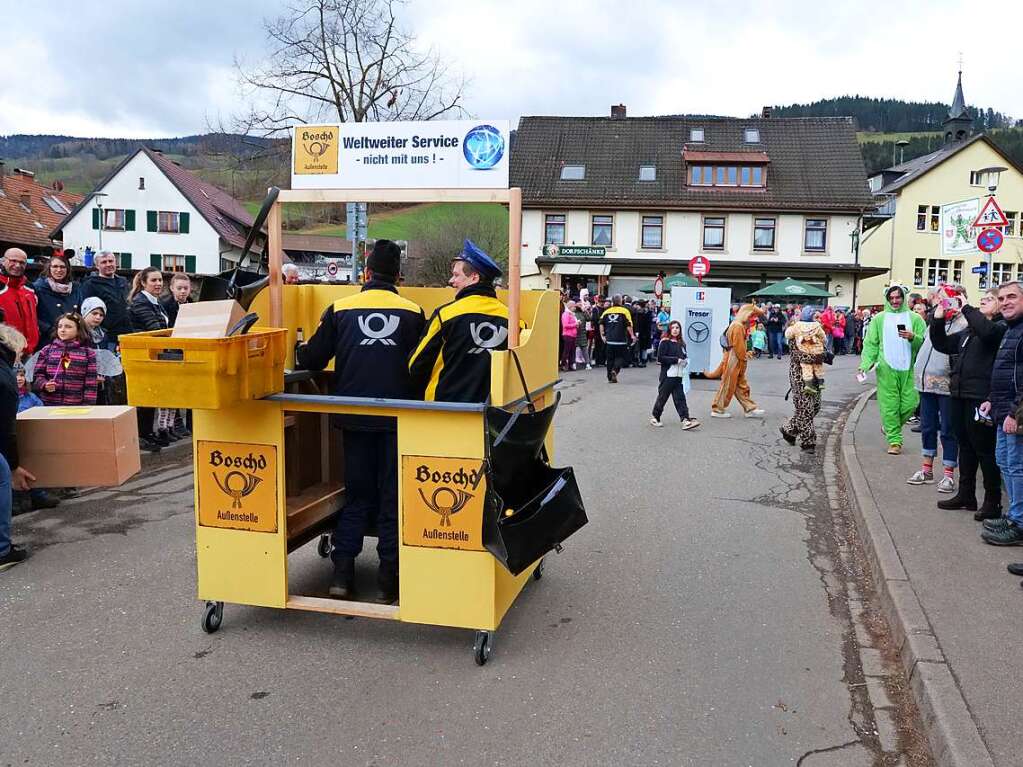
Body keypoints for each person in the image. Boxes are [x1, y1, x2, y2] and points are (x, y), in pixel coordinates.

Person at [297, 240, 425, 602]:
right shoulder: (413, 311)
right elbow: (425, 365)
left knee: (357, 496)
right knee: (390, 497)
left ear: (366, 274)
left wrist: (301, 349)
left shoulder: (340, 308)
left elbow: (313, 360)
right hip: (398, 419)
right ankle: (388, 581)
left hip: (354, 418)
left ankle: (341, 575)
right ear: (398, 276)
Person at [930, 288, 1004, 520]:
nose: (983, 300)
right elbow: (941, 343)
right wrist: (939, 317)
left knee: (985, 451)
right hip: (960, 395)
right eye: (982, 298)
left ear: (1001, 305)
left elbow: (988, 333)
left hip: (981, 398)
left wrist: (966, 307)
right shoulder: (969, 332)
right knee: (965, 447)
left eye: (989, 299)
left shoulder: (999, 328)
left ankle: (993, 502)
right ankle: (966, 494)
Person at [409, 240, 513, 403]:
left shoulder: (445, 315)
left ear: (474, 277)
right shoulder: (512, 319)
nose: (451, 280)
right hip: (493, 413)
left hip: (445, 410)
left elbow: (416, 365)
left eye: (457, 275)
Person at [907, 288, 967, 492]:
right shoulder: (934, 320)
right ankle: (927, 470)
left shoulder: (963, 323)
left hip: (946, 385)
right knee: (927, 427)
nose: (941, 302)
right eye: (939, 299)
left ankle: (949, 474)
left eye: (946, 299)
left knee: (948, 430)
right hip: (925, 384)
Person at [979, 281, 1023, 547]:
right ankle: (1014, 515)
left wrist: (1013, 412)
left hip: (1014, 413)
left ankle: (1019, 523)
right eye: (1002, 297)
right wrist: (990, 400)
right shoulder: (1011, 329)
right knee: (1004, 462)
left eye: (1012, 297)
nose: (1006, 301)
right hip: (1002, 409)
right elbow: (1007, 372)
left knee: (1016, 467)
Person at [858, 286, 926, 455]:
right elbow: (871, 344)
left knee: (911, 403)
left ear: (904, 298)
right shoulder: (879, 319)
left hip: (909, 368)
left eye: (898, 297)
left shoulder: (915, 318)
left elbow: (924, 344)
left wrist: (913, 338)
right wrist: (865, 364)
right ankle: (895, 441)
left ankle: (889, 426)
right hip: (886, 368)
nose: (895, 301)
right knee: (890, 407)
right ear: (887, 299)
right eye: (892, 298)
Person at [0, 325, 37, 571]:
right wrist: (14, 466)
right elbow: (5, 427)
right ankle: (2, 551)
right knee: (1, 476)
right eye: (21, 354)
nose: (20, 358)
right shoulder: (5, 376)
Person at [129, 267, 169, 451]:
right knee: (144, 395)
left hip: (155, 353)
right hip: (143, 354)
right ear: (143, 283)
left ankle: (148, 432)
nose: (158, 284)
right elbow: (154, 327)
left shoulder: (155, 302)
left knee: (152, 394)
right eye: (153, 280)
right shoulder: (140, 302)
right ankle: (141, 435)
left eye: (160, 280)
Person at [706, 303, 766, 418]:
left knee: (740, 385)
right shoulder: (737, 326)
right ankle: (717, 409)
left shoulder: (739, 325)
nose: (753, 319)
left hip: (734, 359)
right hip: (733, 360)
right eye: (752, 316)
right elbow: (739, 348)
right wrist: (745, 357)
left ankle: (749, 408)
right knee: (728, 385)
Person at [12, 363, 59, 513]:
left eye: (21, 375)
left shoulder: (31, 397)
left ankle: (38, 494)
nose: (19, 379)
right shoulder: (8, 396)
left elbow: (42, 410)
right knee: (12, 466)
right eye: (15, 375)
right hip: (12, 436)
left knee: (35, 463)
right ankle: (15, 499)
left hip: (30, 436)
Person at [33, 314, 98, 406]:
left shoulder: (88, 353)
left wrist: (87, 406)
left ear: (78, 329)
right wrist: (44, 384)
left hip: (76, 406)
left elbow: (90, 383)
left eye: (68, 327)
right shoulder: (47, 350)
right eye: (60, 326)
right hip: (49, 405)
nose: (62, 330)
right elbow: (37, 376)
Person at [649, 320, 699, 430]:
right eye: (673, 328)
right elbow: (660, 358)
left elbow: (684, 356)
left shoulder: (681, 343)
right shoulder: (665, 342)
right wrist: (676, 360)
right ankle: (655, 417)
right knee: (663, 397)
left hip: (679, 375)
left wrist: (685, 362)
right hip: (668, 375)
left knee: (680, 398)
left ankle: (685, 419)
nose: (675, 330)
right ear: (670, 329)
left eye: (677, 328)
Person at [79, 251, 132, 346]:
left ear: (116, 263)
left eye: (111, 261)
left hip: (127, 334)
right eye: (104, 262)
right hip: (107, 337)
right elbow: (86, 312)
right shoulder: (90, 285)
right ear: (97, 266)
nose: (108, 264)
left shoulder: (123, 282)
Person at [0, 248, 40, 354]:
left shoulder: (30, 287)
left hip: (30, 351)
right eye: (13, 261)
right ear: (3, 261)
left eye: (22, 262)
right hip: (6, 353)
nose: (17, 265)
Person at [33, 254, 81, 342]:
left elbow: (79, 313)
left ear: (67, 269)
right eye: (55, 266)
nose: (59, 270)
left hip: (71, 340)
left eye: (62, 267)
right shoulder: (38, 288)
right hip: (47, 339)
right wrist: (50, 330)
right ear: (49, 268)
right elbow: (33, 315)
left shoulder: (75, 289)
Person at [787, 307, 827, 395]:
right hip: (816, 355)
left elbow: (788, 335)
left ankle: (809, 385)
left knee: (806, 369)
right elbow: (824, 338)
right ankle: (821, 382)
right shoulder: (817, 327)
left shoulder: (796, 328)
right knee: (818, 368)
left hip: (800, 369)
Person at [599, 295, 635, 384]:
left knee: (610, 358)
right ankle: (615, 370)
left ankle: (609, 377)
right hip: (621, 340)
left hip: (609, 340)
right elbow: (628, 325)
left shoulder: (606, 311)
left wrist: (602, 335)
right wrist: (632, 336)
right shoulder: (625, 311)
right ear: (620, 301)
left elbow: (601, 323)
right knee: (621, 357)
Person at [633, 300, 653, 368]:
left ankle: (640, 361)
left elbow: (638, 324)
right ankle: (643, 360)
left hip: (641, 333)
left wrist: (637, 331)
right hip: (646, 333)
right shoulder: (648, 312)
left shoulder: (639, 313)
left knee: (639, 347)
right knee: (644, 348)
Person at [560, 300, 579, 371]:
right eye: (574, 306)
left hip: (573, 335)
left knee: (572, 351)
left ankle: (571, 364)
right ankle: (563, 364)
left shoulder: (571, 314)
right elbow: (565, 325)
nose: (575, 308)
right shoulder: (566, 314)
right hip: (567, 335)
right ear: (570, 306)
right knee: (567, 351)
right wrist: (575, 324)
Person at [572, 301, 591, 370]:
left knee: (584, 348)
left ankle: (588, 364)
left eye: (581, 303)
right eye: (578, 303)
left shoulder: (583, 312)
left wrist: (585, 311)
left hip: (582, 333)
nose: (580, 305)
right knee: (573, 349)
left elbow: (589, 318)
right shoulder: (573, 313)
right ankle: (573, 364)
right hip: (574, 333)